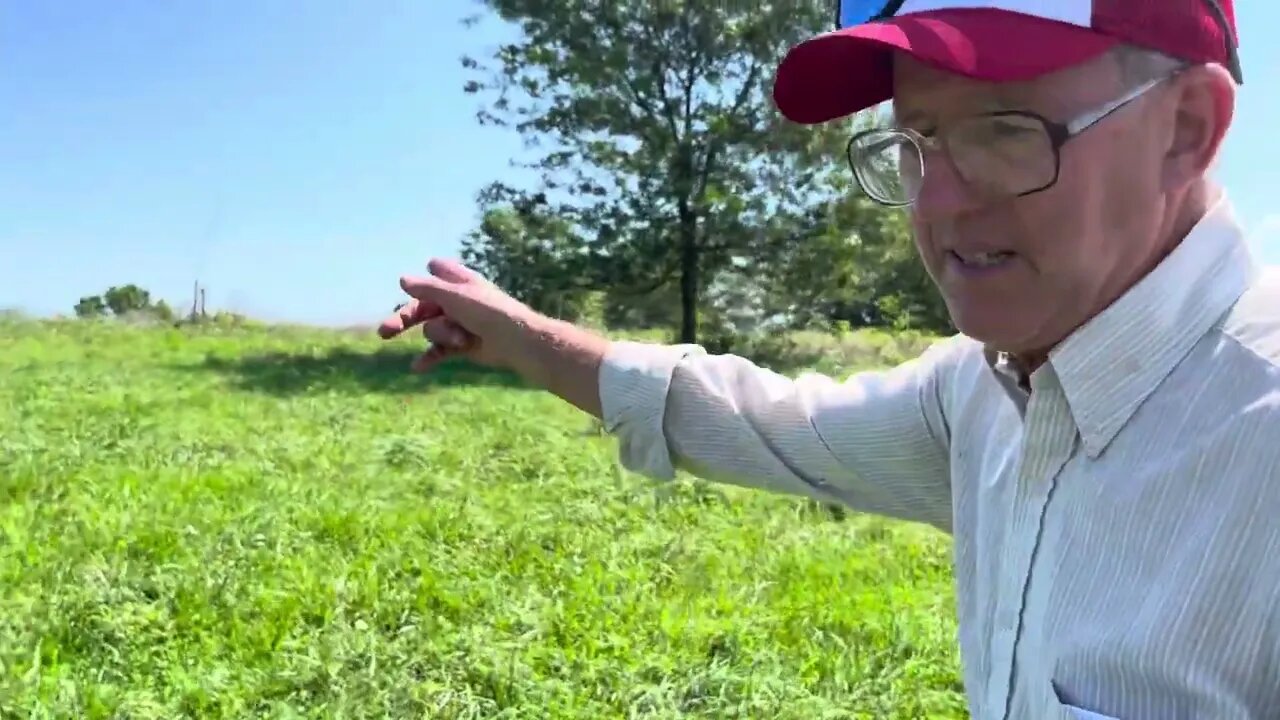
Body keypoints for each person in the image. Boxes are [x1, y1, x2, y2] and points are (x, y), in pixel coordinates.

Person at [381, 1, 1280, 717]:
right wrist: (524, 337)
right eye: (914, 145)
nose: (937, 206)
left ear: (1186, 129)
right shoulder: (983, 392)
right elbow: (759, 420)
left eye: (1006, 133)